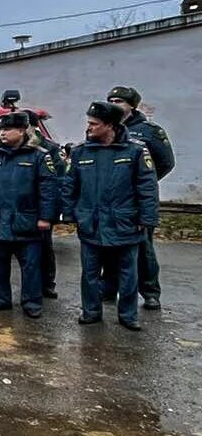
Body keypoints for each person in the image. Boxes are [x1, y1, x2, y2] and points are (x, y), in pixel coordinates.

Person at [63, 101, 160, 331]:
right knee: (90, 272)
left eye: (94, 124)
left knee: (128, 273)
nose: (89, 128)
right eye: (88, 123)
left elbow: (147, 189)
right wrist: (69, 215)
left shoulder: (136, 151)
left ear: (110, 126)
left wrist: (147, 220)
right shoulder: (80, 152)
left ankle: (128, 315)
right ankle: (91, 311)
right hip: (91, 223)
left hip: (125, 223)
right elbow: (69, 187)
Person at [0, 111, 58, 318]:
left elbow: (48, 190)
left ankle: (31, 301)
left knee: (30, 266)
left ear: (22, 131)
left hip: (27, 220)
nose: (2, 133)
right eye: (1, 129)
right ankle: (1, 298)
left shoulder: (39, 156)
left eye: (7, 129)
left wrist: (46, 217)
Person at [106, 86, 173, 311]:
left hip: (137, 200)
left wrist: (140, 184)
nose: (114, 103)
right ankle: (109, 288)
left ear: (132, 105)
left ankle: (150, 292)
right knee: (108, 246)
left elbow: (165, 163)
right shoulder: (105, 129)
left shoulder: (148, 131)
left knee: (143, 248)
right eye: (111, 100)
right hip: (110, 200)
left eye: (119, 101)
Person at [23, 108, 67, 299]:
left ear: (32, 127)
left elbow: (59, 181)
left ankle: (48, 284)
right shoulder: (11, 147)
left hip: (41, 207)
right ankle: (29, 286)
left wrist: (52, 212)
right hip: (20, 207)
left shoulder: (50, 148)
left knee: (44, 247)